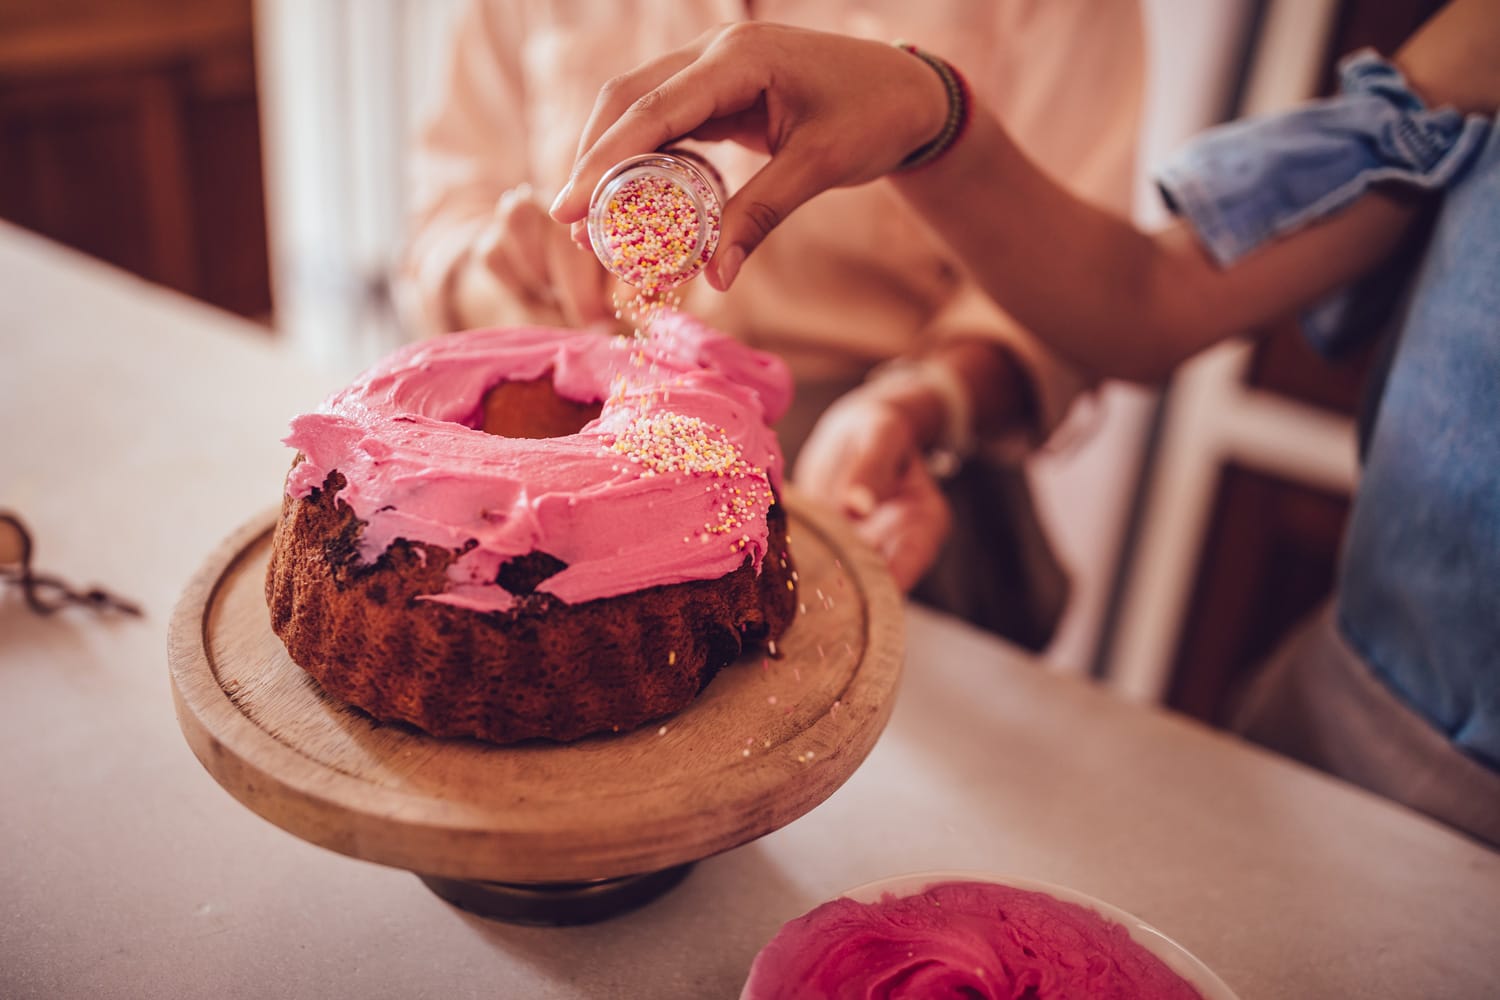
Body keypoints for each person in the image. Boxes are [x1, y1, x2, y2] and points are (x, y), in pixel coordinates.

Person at [548, 1, 1500, 846]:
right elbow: (1150, 297)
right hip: (1348, 716)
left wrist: (919, 395)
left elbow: (1090, 317)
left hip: (886, 484)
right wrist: (928, 111)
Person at [400, 0, 1148, 649]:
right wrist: (498, 264)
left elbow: (1085, 297)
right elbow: (442, 219)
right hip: (580, 447)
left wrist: (923, 403)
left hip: (872, 463)